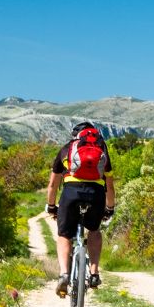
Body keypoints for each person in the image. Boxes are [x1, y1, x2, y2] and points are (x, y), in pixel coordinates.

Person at [45, 121, 116, 297]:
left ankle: (64, 274)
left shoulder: (67, 149)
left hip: (71, 194)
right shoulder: (102, 150)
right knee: (94, 230)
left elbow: (53, 185)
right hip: (96, 195)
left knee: (64, 234)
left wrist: (52, 206)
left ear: (75, 135)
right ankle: (94, 273)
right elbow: (110, 185)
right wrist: (110, 208)